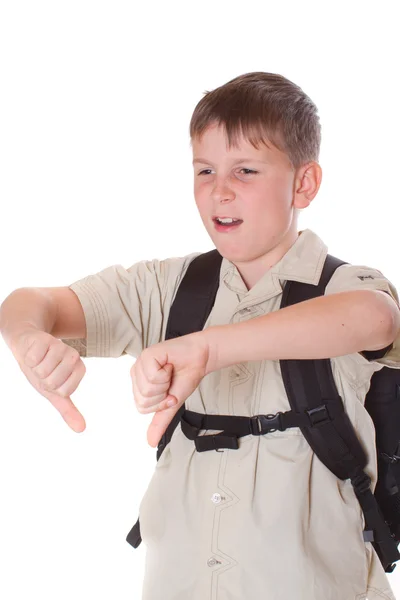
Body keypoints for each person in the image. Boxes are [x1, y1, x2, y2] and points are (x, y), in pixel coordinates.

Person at [1, 71, 400, 600]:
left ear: (304, 183)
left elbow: (376, 318)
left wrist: (209, 347)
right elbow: (35, 302)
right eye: (204, 169)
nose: (220, 189)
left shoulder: (345, 287)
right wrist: (28, 338)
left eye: (247, 170)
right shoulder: (169, 287)